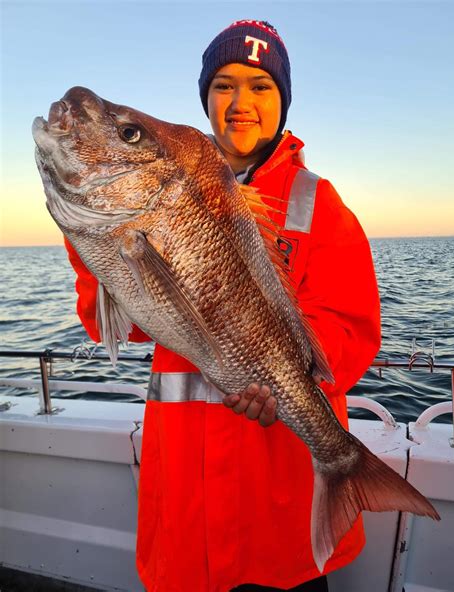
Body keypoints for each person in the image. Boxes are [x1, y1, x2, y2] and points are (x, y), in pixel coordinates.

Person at [64, 19, 381, 592]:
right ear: (206, 96)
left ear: (282, 99)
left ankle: (344, 471)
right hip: (186, 506)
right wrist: (98, 236)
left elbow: (350, 329)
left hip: (277, 506)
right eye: (224, 85)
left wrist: (283, 374)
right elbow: (113, 326)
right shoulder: (169, 178)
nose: (241, 103)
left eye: (261, 86)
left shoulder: (320, 204)